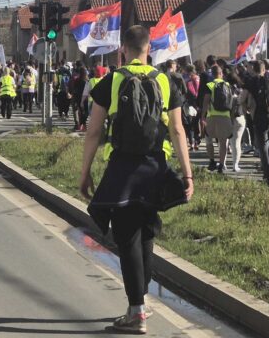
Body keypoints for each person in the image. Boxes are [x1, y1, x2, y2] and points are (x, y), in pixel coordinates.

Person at [80, 25, 193, 335]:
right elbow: (179, 131)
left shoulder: (111, 80)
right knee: (145, 234)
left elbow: (93, 132)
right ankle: (141, 301)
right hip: (156, 167)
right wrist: (187, 174)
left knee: (126, 236)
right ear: (149, 50)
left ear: (123, 50)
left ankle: (136, 312)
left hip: (122, 170)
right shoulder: (166, 80)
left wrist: (85, 171)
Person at [203, 65, 234, 173]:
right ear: (221, 74)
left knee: (208, 139)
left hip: (211, 116)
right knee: (223, 141)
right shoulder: (228, 85)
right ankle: (221, 164)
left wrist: (202, 116)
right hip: (225, 116)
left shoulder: (210, 85)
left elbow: (206, 102)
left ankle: (212, 161)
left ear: (212, 74)